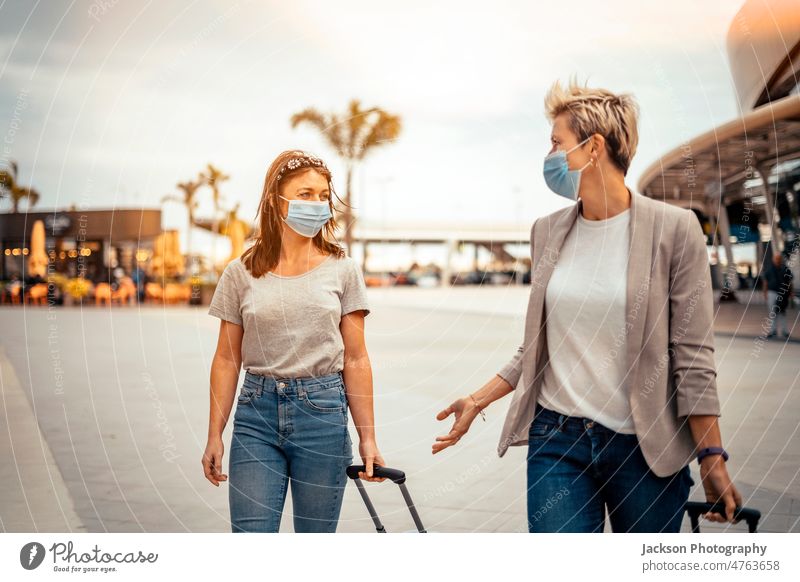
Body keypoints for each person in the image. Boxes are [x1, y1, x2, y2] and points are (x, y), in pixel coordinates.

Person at [433, 79, 742, 533]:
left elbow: (693, 355)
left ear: (593, 147)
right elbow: (537, 345)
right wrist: (478, 401)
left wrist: (711, 455)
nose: (550, 156)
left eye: (557, 143)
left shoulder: (675, 230)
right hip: (557, 441)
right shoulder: (548, 231)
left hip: (644, 449)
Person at [202, 150, 386, 533]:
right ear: (276, 200)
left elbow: (356, 359)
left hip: (323, 415)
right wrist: (214, 435)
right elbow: (225, 359)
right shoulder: (241, 273)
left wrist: (368, 438)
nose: (317, 204)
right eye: (305, 194)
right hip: (256, 415)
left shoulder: (344, 269)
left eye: (323, 196)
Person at [761, 252, 794, 338]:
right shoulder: (769, 269)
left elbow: (790, 282)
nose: (778, 260)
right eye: (776, 259)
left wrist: (791, 293)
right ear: (773, 260)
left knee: (782, 312)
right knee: (772, 313)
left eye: (779, 259)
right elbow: (765, 282)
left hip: (783, 293)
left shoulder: (786, 269)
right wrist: (765, 293)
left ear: (781, 260)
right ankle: (773, 331)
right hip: (772, 292)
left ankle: (785, 331)